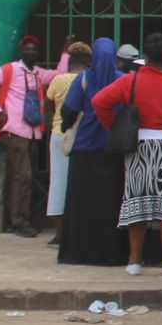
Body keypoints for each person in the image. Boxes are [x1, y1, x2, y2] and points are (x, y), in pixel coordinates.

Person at [91, 33, 162, 276]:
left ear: (145, 57)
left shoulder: (130, 82)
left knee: (136, 200)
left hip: (138, 145)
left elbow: (99, 102)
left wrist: (114, 127)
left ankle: (134, 261)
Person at [0, 35, 69, 238]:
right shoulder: (9, 70)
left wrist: (65, 52)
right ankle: (19, 221)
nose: (31, 52)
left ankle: (16, 219)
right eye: (27, 49)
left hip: (32, 130)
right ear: (21, 52)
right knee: (23, 176)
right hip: (14, 130)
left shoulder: (37, 74)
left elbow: (59, 74)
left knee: (21, 176)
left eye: (34, 50)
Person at [59, 38, 128, 267]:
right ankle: (112, 253)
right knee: (111, 204)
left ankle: (78, 253)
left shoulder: (84, 79)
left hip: (84, 150)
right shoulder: (122, 80)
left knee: (82, 204)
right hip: (113, 150)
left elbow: (68, 110)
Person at [44, 41, 90, 248]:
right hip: (81, 136)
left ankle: (59, 234)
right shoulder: (87, 80)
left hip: (58, 134)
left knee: (58, 184)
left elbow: (49, 106)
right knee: (79, 184)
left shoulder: (58, 80)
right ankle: (78, 232)